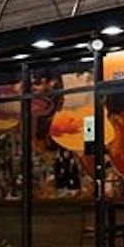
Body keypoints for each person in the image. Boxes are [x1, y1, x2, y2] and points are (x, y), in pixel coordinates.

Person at [29, 67, 86, 197]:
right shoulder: (7, 143)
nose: (42, 91)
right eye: (36, 84)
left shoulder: (66, 154)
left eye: (51, 92)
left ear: (60, 102)